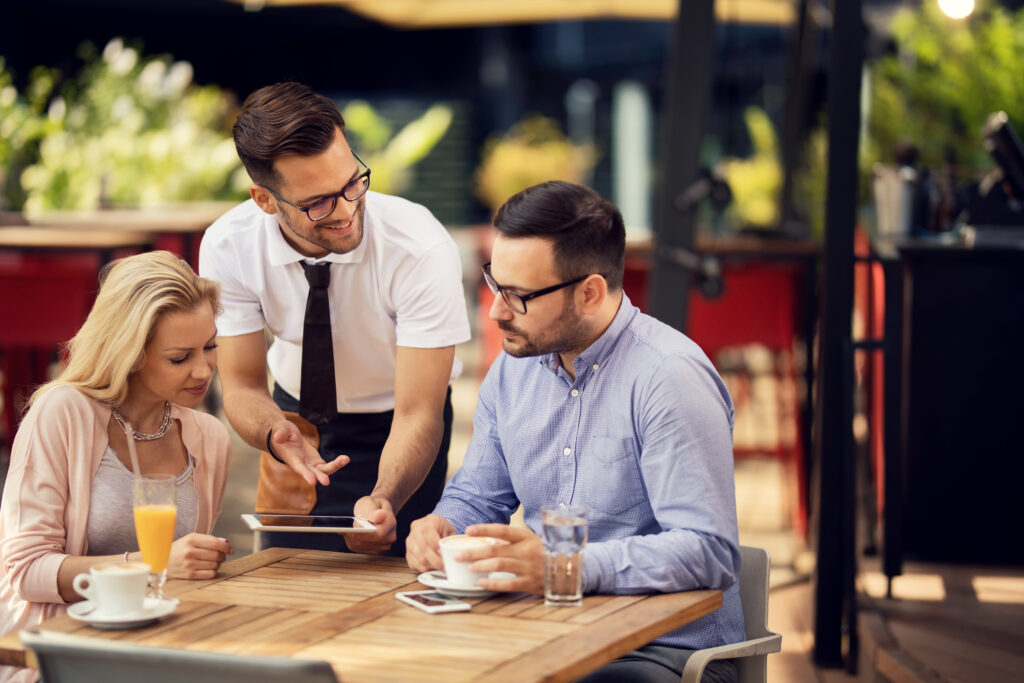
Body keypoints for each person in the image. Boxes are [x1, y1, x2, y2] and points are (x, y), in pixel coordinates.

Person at [405, 181, 745, 683]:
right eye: (495, 284)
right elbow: (479, 495)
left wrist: (564, 567)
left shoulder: (668, 377)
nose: (497, 310)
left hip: (661, 655)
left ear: (589, 292)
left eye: (518, 296)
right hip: (544, 632)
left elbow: (708, 551)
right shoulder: (511, 371)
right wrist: (442, 526)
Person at [199, 82, 470, 557]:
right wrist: (275, 434)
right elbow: (241, 388)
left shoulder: (419, 247)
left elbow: (419, 412)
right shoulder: (229, 247)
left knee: (395, 593)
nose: (347, 210)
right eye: (318, 202)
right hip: (293, 421)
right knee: (285, 582)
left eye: (352, 183)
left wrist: (383, 498)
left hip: (402, 423)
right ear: (265, 200)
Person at [0, 251, 233, 676]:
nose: (204, 370)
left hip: (162, 656)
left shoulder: (209, 438)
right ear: (131, 351)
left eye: (211, 347)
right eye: (180, 358)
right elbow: (26, 572)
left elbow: (185, 580)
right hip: (60, 659)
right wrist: (150, 566)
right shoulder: (63, 412)